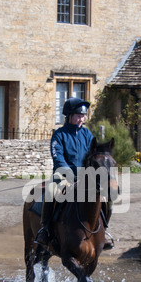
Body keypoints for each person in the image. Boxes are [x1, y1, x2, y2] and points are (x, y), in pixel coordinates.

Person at [35, 97, 93, 246]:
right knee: (51, 190)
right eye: (79, 116)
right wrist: (70, 175)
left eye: (83, 116)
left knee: (105, 194)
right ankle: (45, 229)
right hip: (63, 175)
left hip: (84, 176)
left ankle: (102, 231)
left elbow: (93, 155)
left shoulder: (87, 135)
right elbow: (58, 157)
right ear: (69, 116)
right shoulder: (59, 135)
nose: (82, 119)